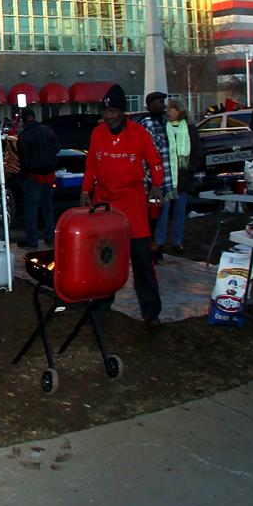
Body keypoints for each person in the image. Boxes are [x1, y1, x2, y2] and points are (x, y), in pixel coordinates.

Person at [80, 83, 164, 327]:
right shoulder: (97, 134)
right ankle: (101, 304)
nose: (109, 116)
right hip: (105, 206)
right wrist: (86, 190)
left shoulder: (138, 133)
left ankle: (151, 312)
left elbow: (155, 162)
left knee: (142, 260)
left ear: (123, 113)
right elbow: (91, 167)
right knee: (104, 259)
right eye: (106, 112)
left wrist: (157, 185)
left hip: (132, 206)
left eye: (114, 111)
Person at [155, 99, 201, 256]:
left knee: (180, 210)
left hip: (183, 176)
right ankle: (160, 242)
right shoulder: (163, 128)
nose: (168, 112)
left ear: (179, 111)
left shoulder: (189, 129)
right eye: (167, 109)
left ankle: (177, 241)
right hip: (167, 176)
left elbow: (196, 150)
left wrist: (190, 168)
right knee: (164, 211)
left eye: (171, 109)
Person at [16, 106, 60, 249]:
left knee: (31, 210)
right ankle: (50, 237)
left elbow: (23, 159)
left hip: (33, 176)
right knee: (48, 208)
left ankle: (32, 241)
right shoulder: (48, 130)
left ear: (24, 120)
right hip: (49, 174)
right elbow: (57, 148)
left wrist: (23, 176)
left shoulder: (24, 135)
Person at [138, 90, 173, 262]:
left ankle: (159, 246)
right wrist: (152, 182)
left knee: (164, 216)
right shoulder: (147, 124)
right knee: (152, 217)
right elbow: (148, 156)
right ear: (151, 105)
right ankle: (149, 248)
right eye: (159, 102)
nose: (163, 106)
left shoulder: (165, 122)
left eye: (163, 102)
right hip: (153, 183)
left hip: (167, 179)